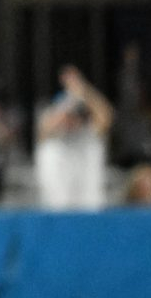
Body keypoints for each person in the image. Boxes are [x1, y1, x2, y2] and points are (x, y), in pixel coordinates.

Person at [35, 65, 114, 210]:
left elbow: (106, 116)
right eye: (68, 117)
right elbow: (44, 130)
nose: (71, 120)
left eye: (76, 116)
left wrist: (82, 90)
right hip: (60, 210)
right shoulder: (53, 141)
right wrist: (67, 103)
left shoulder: (89, 135)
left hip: (88, 208)